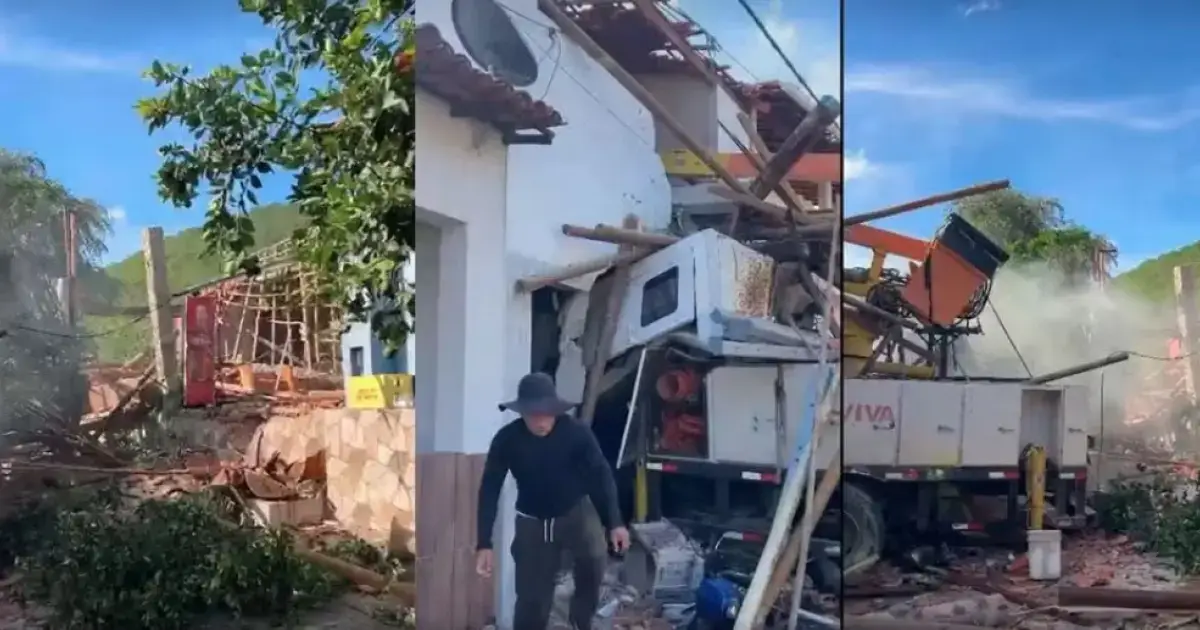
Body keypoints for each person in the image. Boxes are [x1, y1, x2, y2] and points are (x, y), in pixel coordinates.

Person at [475, 372, 631, 630]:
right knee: (532, 600)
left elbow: (600, 476)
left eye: (546, 413)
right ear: (521, 412)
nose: (541, 420)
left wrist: (614, 522)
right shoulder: (506, 440)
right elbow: (490, 488)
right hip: (532, 522)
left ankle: (580, 621)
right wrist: (484, 543)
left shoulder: (576, 434)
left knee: (594, 559)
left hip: (576, 512)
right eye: (533, 414)